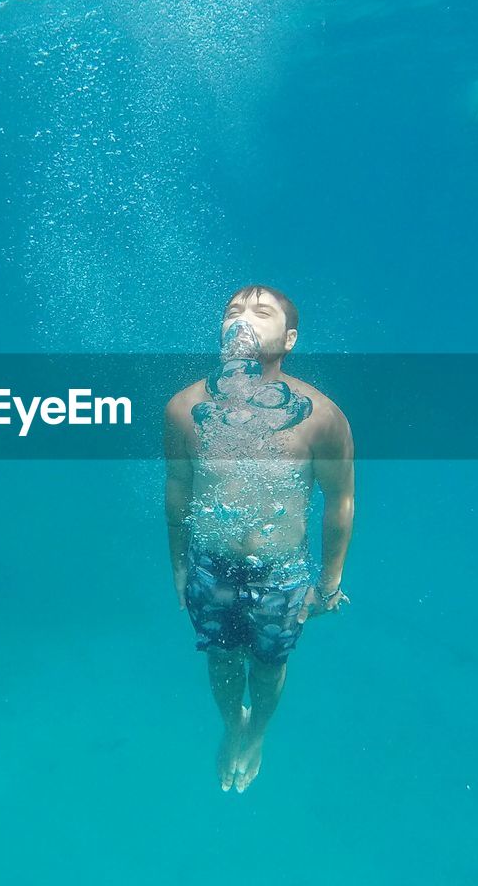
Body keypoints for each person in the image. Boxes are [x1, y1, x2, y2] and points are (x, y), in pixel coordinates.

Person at [164, 284, 355, 792]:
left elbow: (340, 499)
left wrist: (330, 581)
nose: (242, 318)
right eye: (233, 310)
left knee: (269, 668)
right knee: (222, 659)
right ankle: (233, 728)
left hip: (282, 572)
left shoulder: (321, 415)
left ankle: (258, 734)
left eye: (260, 311)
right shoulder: (183, 408)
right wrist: (179, 565)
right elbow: (179, 488)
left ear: (289, 338)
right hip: (210, 564)